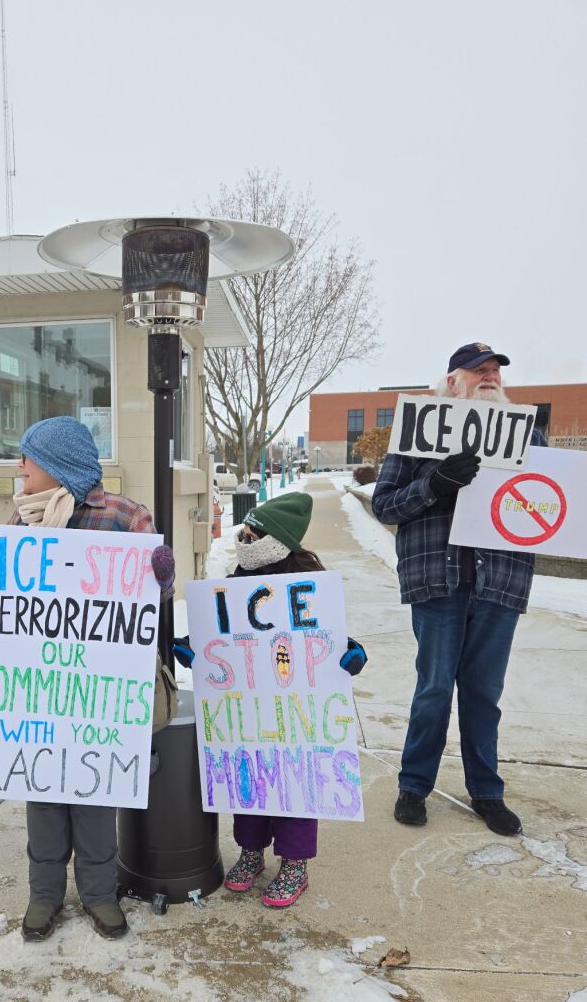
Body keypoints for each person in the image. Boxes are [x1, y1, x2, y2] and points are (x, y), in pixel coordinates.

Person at [0, 415, 175, 943]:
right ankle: (44, 895)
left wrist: (163, 577)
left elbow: (154, 599)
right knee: (43, 791)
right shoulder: (21, 520)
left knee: (95, 793)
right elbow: (1, 604)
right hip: (41, 687)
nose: (20, 468)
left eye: (28, 459)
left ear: (57, 467)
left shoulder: (125, 515)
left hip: (97, 690)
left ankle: (100, 894)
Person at [373, 343, 547, 836]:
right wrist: (436, 483)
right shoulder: (417, 435)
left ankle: (487, 793)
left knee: (484, 693)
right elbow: (383, 506)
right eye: (478, 370)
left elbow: (550, 504)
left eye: (494, 370)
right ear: (452, 381)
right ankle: (414, 786)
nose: (489, 377)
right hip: (437, 579)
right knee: (432, 690)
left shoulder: (528, 437)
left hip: (500, 582)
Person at [174, 492, 367, 909]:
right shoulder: (236, 581)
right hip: (249, 713)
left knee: (296, 788)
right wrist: (194, 647)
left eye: (252, 533)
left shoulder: (307, 582)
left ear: (277, 540)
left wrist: (350, 653)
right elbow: (223, 630)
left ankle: (295, 864)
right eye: (242, 532)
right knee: (251, 784)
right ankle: (250, 853)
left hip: (296, 713)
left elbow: (328, 633)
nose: (243, 539)